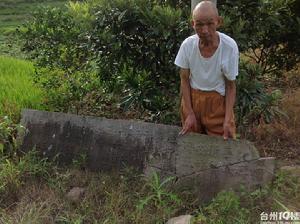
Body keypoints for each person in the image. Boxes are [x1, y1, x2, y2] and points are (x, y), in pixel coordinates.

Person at [174, 0, 238, 140]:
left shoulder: (229, 47)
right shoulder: (188, 45)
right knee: (192, 145)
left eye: (210, 23)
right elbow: (184, 79)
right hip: (193, 99)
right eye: (199, 24)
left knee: (223, 147)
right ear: (193, 24)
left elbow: (230, 86)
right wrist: (189, 113)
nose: (205, 30)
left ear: (218, 22)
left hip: (217, 103)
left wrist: (227, 119)